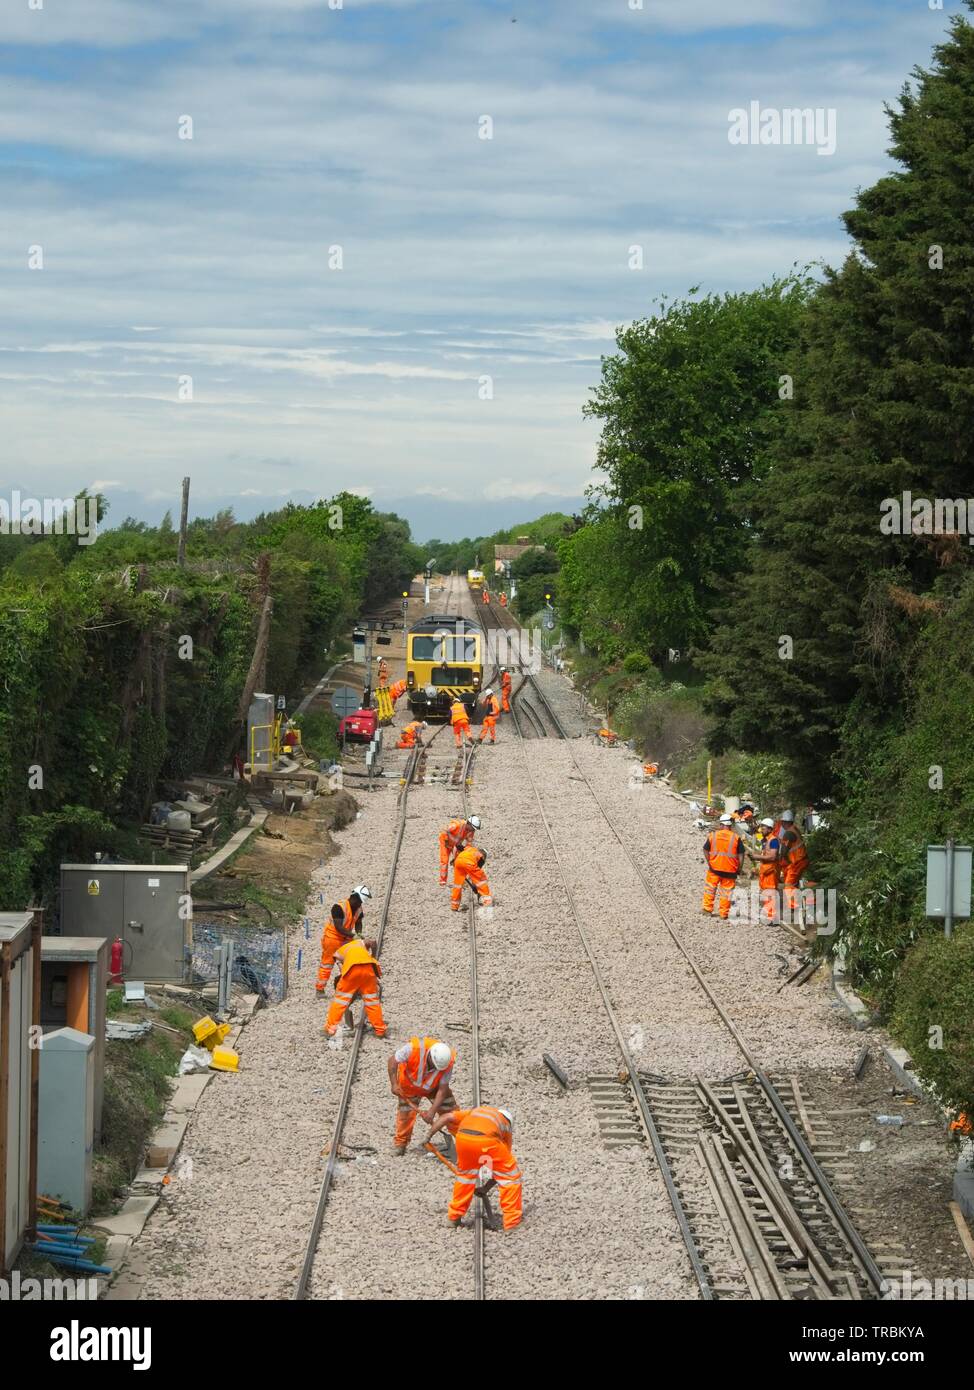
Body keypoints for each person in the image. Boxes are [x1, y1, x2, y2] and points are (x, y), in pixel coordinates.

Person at [426, 1104, 522, 1231]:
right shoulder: (506, 1126)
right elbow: (501, 1171)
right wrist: (486, 1187)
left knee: (464, 1178)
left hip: (463, 1139)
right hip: (486, 1141)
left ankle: (453, 1218)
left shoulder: (478, 1111)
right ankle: (511, 1223)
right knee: (511, 1177)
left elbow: (446, 1117)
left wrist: (428, 1136)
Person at [388, 1037, 457, 1154]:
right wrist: (394, 1084)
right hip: (409, 1086)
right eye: (434, 1065)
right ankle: (401, 1144)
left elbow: (443, 1089)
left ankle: (462, 1138)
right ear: (430, 1056)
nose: (436, 1069)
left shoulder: (447, 1062)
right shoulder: (413, 1048)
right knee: (405, 1113)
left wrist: (432, 1112)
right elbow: (392, 1061)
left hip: (433, 1087)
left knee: (450, 1110)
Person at [324, 936, 386, 1037]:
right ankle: (380, 1031)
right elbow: (373, 941)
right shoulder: (359, 943)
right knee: (372, 1002)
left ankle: (330, 1029)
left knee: (340, 1000)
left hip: (352, 970)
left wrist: (350, 991)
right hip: (369, 969)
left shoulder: (338, 953)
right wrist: (373, 957)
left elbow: (342, 971)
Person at [316, 885, 372, 993]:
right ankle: (320, 989)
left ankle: (349, 987)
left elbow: (359, 922)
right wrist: (353, 936)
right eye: (359, 901)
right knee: (327, 964)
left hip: (345, 939)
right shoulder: (339, 907)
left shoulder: (358, 909)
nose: (360, 904)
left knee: (351, 963)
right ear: (354, 897)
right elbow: (339, 927)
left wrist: (359, 933)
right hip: (332, 939)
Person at [701, 815, 743, 920]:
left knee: (710, 889)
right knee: (726, 893)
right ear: (730, 825)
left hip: (714, 868)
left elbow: (705, 849)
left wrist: (709, 862)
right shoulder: (736, 838)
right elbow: (741, 855)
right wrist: (739, 869)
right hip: (730, 871)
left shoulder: (713, 835)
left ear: (721, 824)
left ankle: (707, 909)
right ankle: (723, 914)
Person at [776, 810, 809, 912]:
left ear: (784, 822)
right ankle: (799, 902)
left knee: (789, 885)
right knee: (794, 884)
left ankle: (793, 907)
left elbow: (784, 850)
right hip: (801, 860)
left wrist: (780, 858)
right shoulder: (794, 829)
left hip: (797, 862)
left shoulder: (789, 833)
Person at [749, 818, 781, 921]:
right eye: (761, 826)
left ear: (770, 829)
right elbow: (765, 854)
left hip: (771, 872)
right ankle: (768, 914)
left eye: (764, 827)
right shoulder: (765, 840)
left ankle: (772, 918)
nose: (761, 829)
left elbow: (772, 857)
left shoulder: (774, 841)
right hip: (765, 871)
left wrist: (757, 857)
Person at [439, 815, 481, 885]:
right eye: (472, 828)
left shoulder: (471, 831)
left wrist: (465, 853)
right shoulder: (457, 825)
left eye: (474, 829)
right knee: (444, 860)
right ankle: (442, 880)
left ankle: (460, 878)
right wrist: (446, 841)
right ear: (469, 823)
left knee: (459, 860)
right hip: (445, 842)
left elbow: (469, 843)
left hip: (456, 843)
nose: (472, 830)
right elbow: (444, 830)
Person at [451, 845, 492, 912]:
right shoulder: (481, 857)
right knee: (482, 882)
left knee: (457, 885)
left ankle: (454, 906)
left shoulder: (469, 848)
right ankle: (486, 902)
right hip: (468, 863)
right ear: (484, 855)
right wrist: (476, 887)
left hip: (458, 861)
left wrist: (454, 859)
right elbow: (476, 876)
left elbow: (456, 846)